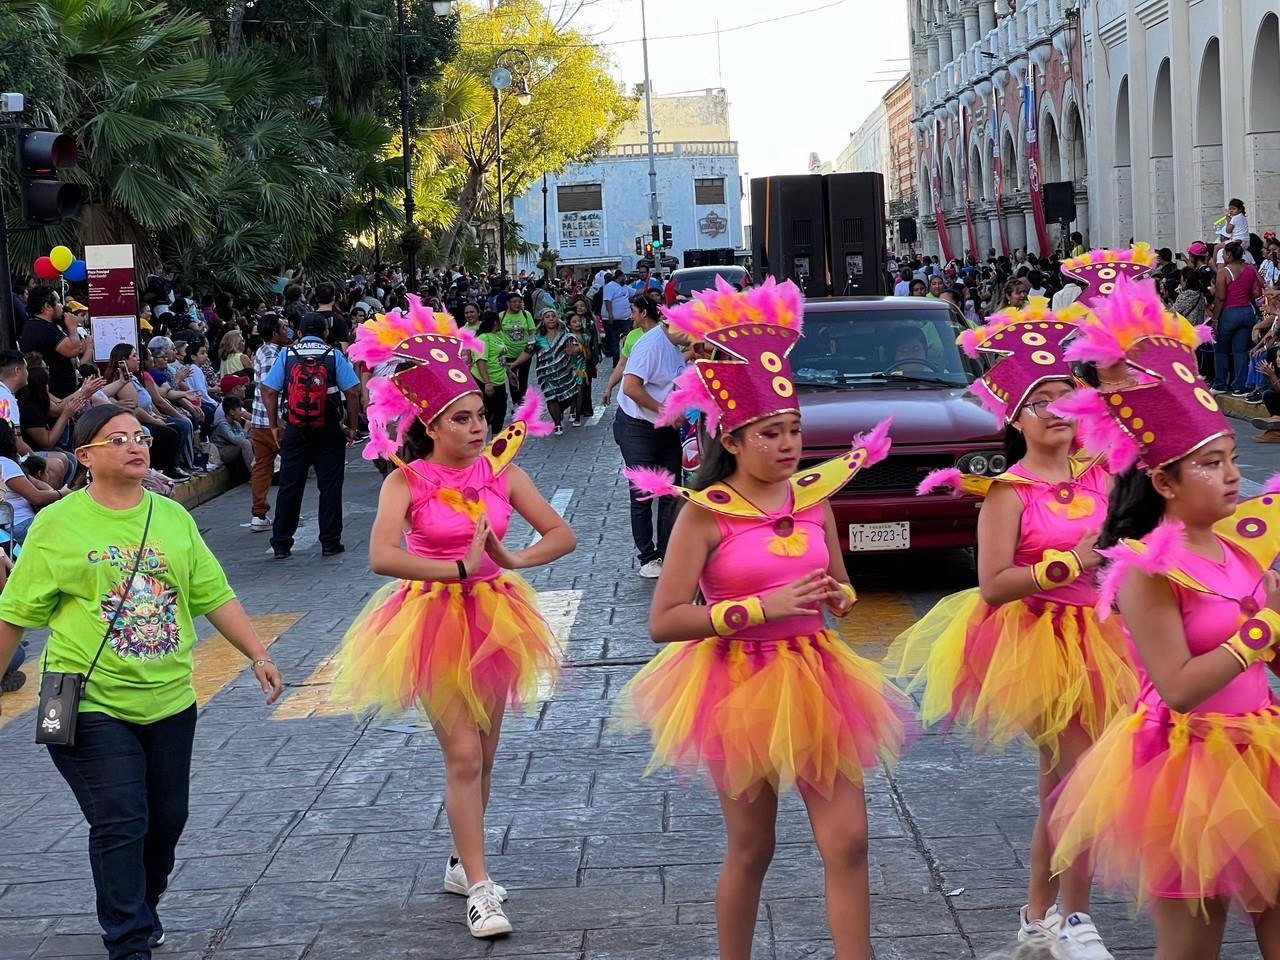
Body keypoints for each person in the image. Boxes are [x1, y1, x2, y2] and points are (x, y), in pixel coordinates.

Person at [619, 277, 912, 960]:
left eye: (795, 430)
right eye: (771, 432)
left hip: (818, 675)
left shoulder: (816, 499)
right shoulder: (705, 513)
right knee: (754, 846)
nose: (788, 445)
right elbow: (663, 621)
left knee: (849, 839)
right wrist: (754, 608)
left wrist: (840, 597)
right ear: (732, 435)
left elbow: (839, 585)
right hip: (738, 683)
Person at [889, 297, 1135, 959]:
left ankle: (1038, 915)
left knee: (1066, 779)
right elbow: (995, 584)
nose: (1057, 410)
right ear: (1016, 418)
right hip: (1038, 640)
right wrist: (1067, 564)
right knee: (1077, 774)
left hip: (1105, 635)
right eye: (1041, 401)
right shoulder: (1007, 492)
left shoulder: (1102, 474)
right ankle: (1074, 918)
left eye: (1066, 396)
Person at [1049, 274, 1280, 959]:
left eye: (1234, 459)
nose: (1234, 475)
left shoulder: (1244, 553)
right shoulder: (1144, 569)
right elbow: (1177, 685)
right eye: (1210, 464)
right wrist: (1264, 628)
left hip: (1261, 749)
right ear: (1165, 481)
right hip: (1190, 763)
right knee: (1192, 945)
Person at [0, 403, 283, 960]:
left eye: (140, 436)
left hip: (171, 698)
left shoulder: (171, 516)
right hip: (81, 699)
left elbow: (212, 593)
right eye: (118, 439)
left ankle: (142, 906)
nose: (136, 445)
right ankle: (129, 942)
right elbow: (14, 612)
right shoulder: (56, 525)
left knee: (166, 820)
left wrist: (256, 653)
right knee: (120, 816)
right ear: (84, 457)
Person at [336, 298, 575, 939]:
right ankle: (479, 887)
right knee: (464, 753)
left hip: (498, 617)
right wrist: (458, 572)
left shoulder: (501, 472)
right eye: (463, 419)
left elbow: (561, 535)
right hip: (430, 621)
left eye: (480, 416)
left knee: (487, 753)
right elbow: (382, 556)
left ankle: (458, 859)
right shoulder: (405, 482)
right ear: (431, 424)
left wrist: (511, 556)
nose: (478, 428)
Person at [259, 313, 361, 560]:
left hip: (295, 427)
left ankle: (281, 542)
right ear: (326, 332)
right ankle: (329, 542)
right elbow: (353, 392)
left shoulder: (287, 355)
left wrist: (274, 425)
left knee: (290, 485)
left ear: (300, 332)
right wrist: (351, 425)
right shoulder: (333, 355)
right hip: (328, 427)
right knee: (330, 486)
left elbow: (269, 390)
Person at [612, 296, 686, 578]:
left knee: (670, 489)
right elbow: (631, 387)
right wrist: (665, 410)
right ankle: (648, 556)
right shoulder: (651, 345)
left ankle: (667, 552)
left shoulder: (677, 345)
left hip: (664, 427)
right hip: (636, 426)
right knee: (643, 493)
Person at [106, 344, 188, 483]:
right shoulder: (120, 382)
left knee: (178, 426)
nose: (138, 359)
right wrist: (155, 421)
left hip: (148, 416)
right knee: (169, 433)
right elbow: (135, 407)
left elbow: (150, 402)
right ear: (123, 360)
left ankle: (174, 466)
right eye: (134, 356)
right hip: (135, 422)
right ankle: (162, 470)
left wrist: (158, 416)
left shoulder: (134, 378)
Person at [248, 314, 289, 532]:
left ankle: (259, 513)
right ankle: (281, 514)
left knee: (262, 467)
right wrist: (277, 421)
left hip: (259, 419)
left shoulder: (264, 351)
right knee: (292, 465)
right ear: (274, 333)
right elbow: (269, 389)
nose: (287, 330)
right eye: (283, 327)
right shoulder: (274, 356)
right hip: (273, 421)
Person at [509, 309, 580, 436]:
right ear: (543, 321)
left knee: (568, 396)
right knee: (551, 397)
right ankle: (557, 423)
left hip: (564, 371)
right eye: (547, 317)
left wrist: (573, 350)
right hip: (546, 374)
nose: (551, 319)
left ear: (557, 319)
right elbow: (527, 352)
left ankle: (562, 410)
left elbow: (576, 347)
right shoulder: (537, 338)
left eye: (553, 316)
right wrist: (514, 364)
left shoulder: (566, 335)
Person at [1209, 241, 1264, 398]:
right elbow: (1257, 291)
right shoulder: (1250, 269)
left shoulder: (1224, 272)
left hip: (1229, 313)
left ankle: (1220, 384)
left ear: (1228, 255)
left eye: (1225, 254)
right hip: (1247, 312)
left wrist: (1215, 320)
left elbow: (1220, 298)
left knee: (1220, 350)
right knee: (1239, 350)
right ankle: (1240, 386)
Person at [0, 419, 68, 542]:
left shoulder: (8, 464)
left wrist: (53, 491)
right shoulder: (5, 464)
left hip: (14, 526)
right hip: (20, 525)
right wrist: (63, 493)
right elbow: (36, 497)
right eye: (15, 435)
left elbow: (37, 484)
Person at [20, 284, 87, 399]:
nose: (62, 306)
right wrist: (72, 327)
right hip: (56, 395)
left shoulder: (41, 325)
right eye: (58, 302)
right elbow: (73, 350)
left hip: (61, 393)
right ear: (47, 307)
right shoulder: (42, 328)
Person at [471, 310, 508, 436]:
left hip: (499, 380)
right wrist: (487, 383)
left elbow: (500, 357)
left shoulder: (497, 336)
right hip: (484, 381)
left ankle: (495, 437)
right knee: (486, 412)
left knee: (500, 410)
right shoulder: (483, 338)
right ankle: (482, 439)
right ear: (496, 322)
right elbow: (481, 360)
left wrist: (510, 372)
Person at [498, 292, 536, 407]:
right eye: (514, 302)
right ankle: (515, 403)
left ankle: (523, 403)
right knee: (512, 379)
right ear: (508, 303)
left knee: (523, 379)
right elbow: (497, 333)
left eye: (519, 301)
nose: (517, 304)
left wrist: (530, 347)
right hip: (508, 354)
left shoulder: (526, 314)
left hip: (524, 354)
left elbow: (531, 332)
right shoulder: (501, 315)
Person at [602, 269, 633, 366]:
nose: (625, 278)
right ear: (620, 277)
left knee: (627, 339)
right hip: (614, 319)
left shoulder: (624, 287)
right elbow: (608, 301)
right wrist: (610, 314)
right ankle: (616, 362)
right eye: (624, 276)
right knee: (614, 340)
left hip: (626, 318)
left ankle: (627, 360)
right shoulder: (610, 286)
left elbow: (635, 292)